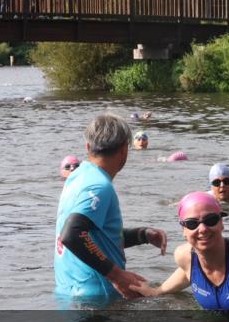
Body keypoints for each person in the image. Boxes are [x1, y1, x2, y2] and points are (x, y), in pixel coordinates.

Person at [55, 114, 168, 300]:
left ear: (88, 147)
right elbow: (73, 234)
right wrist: (117, 275)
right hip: (96, 299)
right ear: (124, 149)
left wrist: (142, 235)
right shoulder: (99, 186)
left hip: (69, 293)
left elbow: (94, 235)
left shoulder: (76, 177)